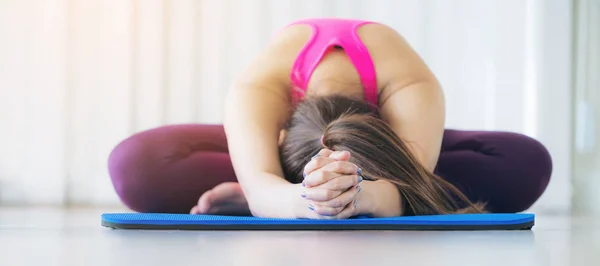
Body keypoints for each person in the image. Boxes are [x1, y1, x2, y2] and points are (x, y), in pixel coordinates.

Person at [107, 18, 552, 219]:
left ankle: (265, 179)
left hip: (390, 146)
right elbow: (273, 197)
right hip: (290, 131)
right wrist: (307, 200)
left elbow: (404, 183)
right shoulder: (257, 90)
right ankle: (265, 173)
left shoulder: (412, 87)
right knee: (138, 165)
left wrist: (360, 198)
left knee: (522, 162)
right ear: (278, 134)